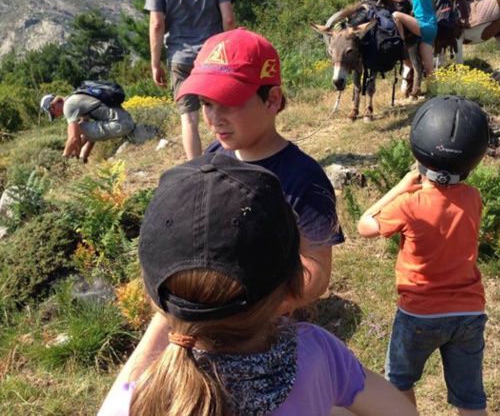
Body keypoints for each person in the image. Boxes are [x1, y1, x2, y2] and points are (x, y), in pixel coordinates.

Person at [101, 28, 346, 399]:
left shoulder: (304, 180)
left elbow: (315, 273)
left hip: (269, 332)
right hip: (209, 328)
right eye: (206, 103)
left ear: (273, 100)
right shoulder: (214, 159)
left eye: (229, 102)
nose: (214, 117)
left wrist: (243, 314)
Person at [98, 153, 418, 416]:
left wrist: (171, 311)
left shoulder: (137, 402)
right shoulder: (315, 352)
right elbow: (403, 413)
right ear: (293, 283)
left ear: (152, 295)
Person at [357, 96, 491, 416]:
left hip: (419, 314)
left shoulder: (409, 204)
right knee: (470, 398)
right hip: (469, 313)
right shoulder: (474, 198)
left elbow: (365, 225)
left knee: (399, 381)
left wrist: (401, 187)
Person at [145, 0, 236, 160]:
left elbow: (157, 24)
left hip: (180, 57)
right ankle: (237, 160)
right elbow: (229, 18)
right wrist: (229, 49)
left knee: (189, 119)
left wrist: (155, 63)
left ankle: (196, 169)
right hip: (213, 55)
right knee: (227, 110)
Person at [370, 0, 437, 80]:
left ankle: (401, 45)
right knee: (428, 66)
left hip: (425, 25)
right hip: (430, 30)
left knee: (396, 15)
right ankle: (435, 90)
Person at [40, 91, 135, 162]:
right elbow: (90, 136)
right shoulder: (76, 97)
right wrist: (81, 157)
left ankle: (76, 157)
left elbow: (74, 138)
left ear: (53, 106)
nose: (57, 116)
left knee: (75, 128)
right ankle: (82, 158)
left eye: (53, 114)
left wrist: (64, 157)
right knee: (80, 127)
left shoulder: (68, 106)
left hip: (120, 126)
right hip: (127, 122)